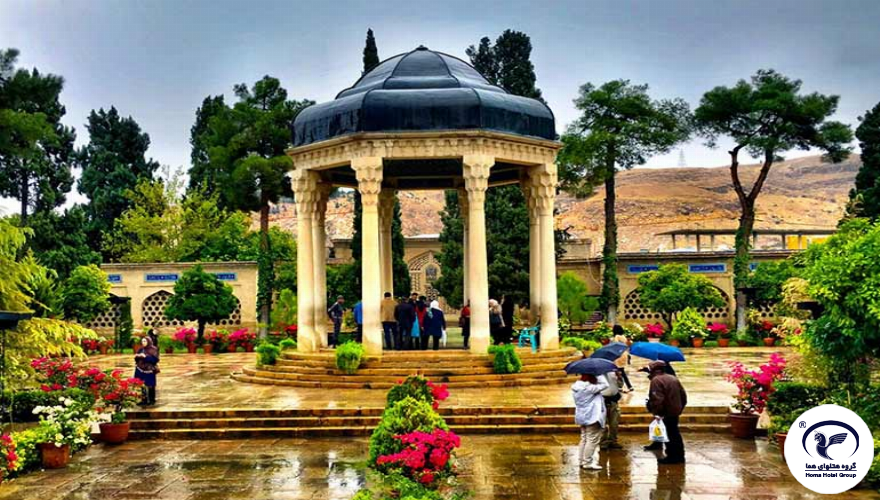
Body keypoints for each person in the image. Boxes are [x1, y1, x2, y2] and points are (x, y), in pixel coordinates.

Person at [643, 360, 688, 464]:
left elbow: (657, 399)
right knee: (674, 432)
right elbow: (683, 395)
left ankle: (672, 456)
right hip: (675, 410)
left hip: (665, 412)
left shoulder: (656, 380)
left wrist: (657, 413)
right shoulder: (673, 378)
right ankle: (679, 455)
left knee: (669, 433)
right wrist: (680, 408)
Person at [572, 373, 609, 470]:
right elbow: (605, 384)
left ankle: (581, 460)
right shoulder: (590, 388)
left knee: (584, 439)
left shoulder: (577, 387)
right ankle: (587, 462)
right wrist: (599, 373)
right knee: (592, 440)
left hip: (582, 415)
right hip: (592, 416)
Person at [599, 369, 624, 450]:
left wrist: (619, 377)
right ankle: (603, 442)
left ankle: (613, 441)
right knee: (603, 424)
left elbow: (620, 385)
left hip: (613, 401)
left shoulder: (614, 372)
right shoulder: (597, 374)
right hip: (601, 402)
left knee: (614, 423)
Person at [134, 337, 160, 406]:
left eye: (145, 341)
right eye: (142, 341)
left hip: (149, 370)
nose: (143, 343)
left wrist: (145, 357)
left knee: (150, 385)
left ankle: (152, 400)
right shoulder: (141, 349)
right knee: (142, 385)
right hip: (140, 369)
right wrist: (137, 356)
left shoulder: (154, 349)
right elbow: (136, 359)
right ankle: (144, 400)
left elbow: (155, 360)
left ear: (149, 341)